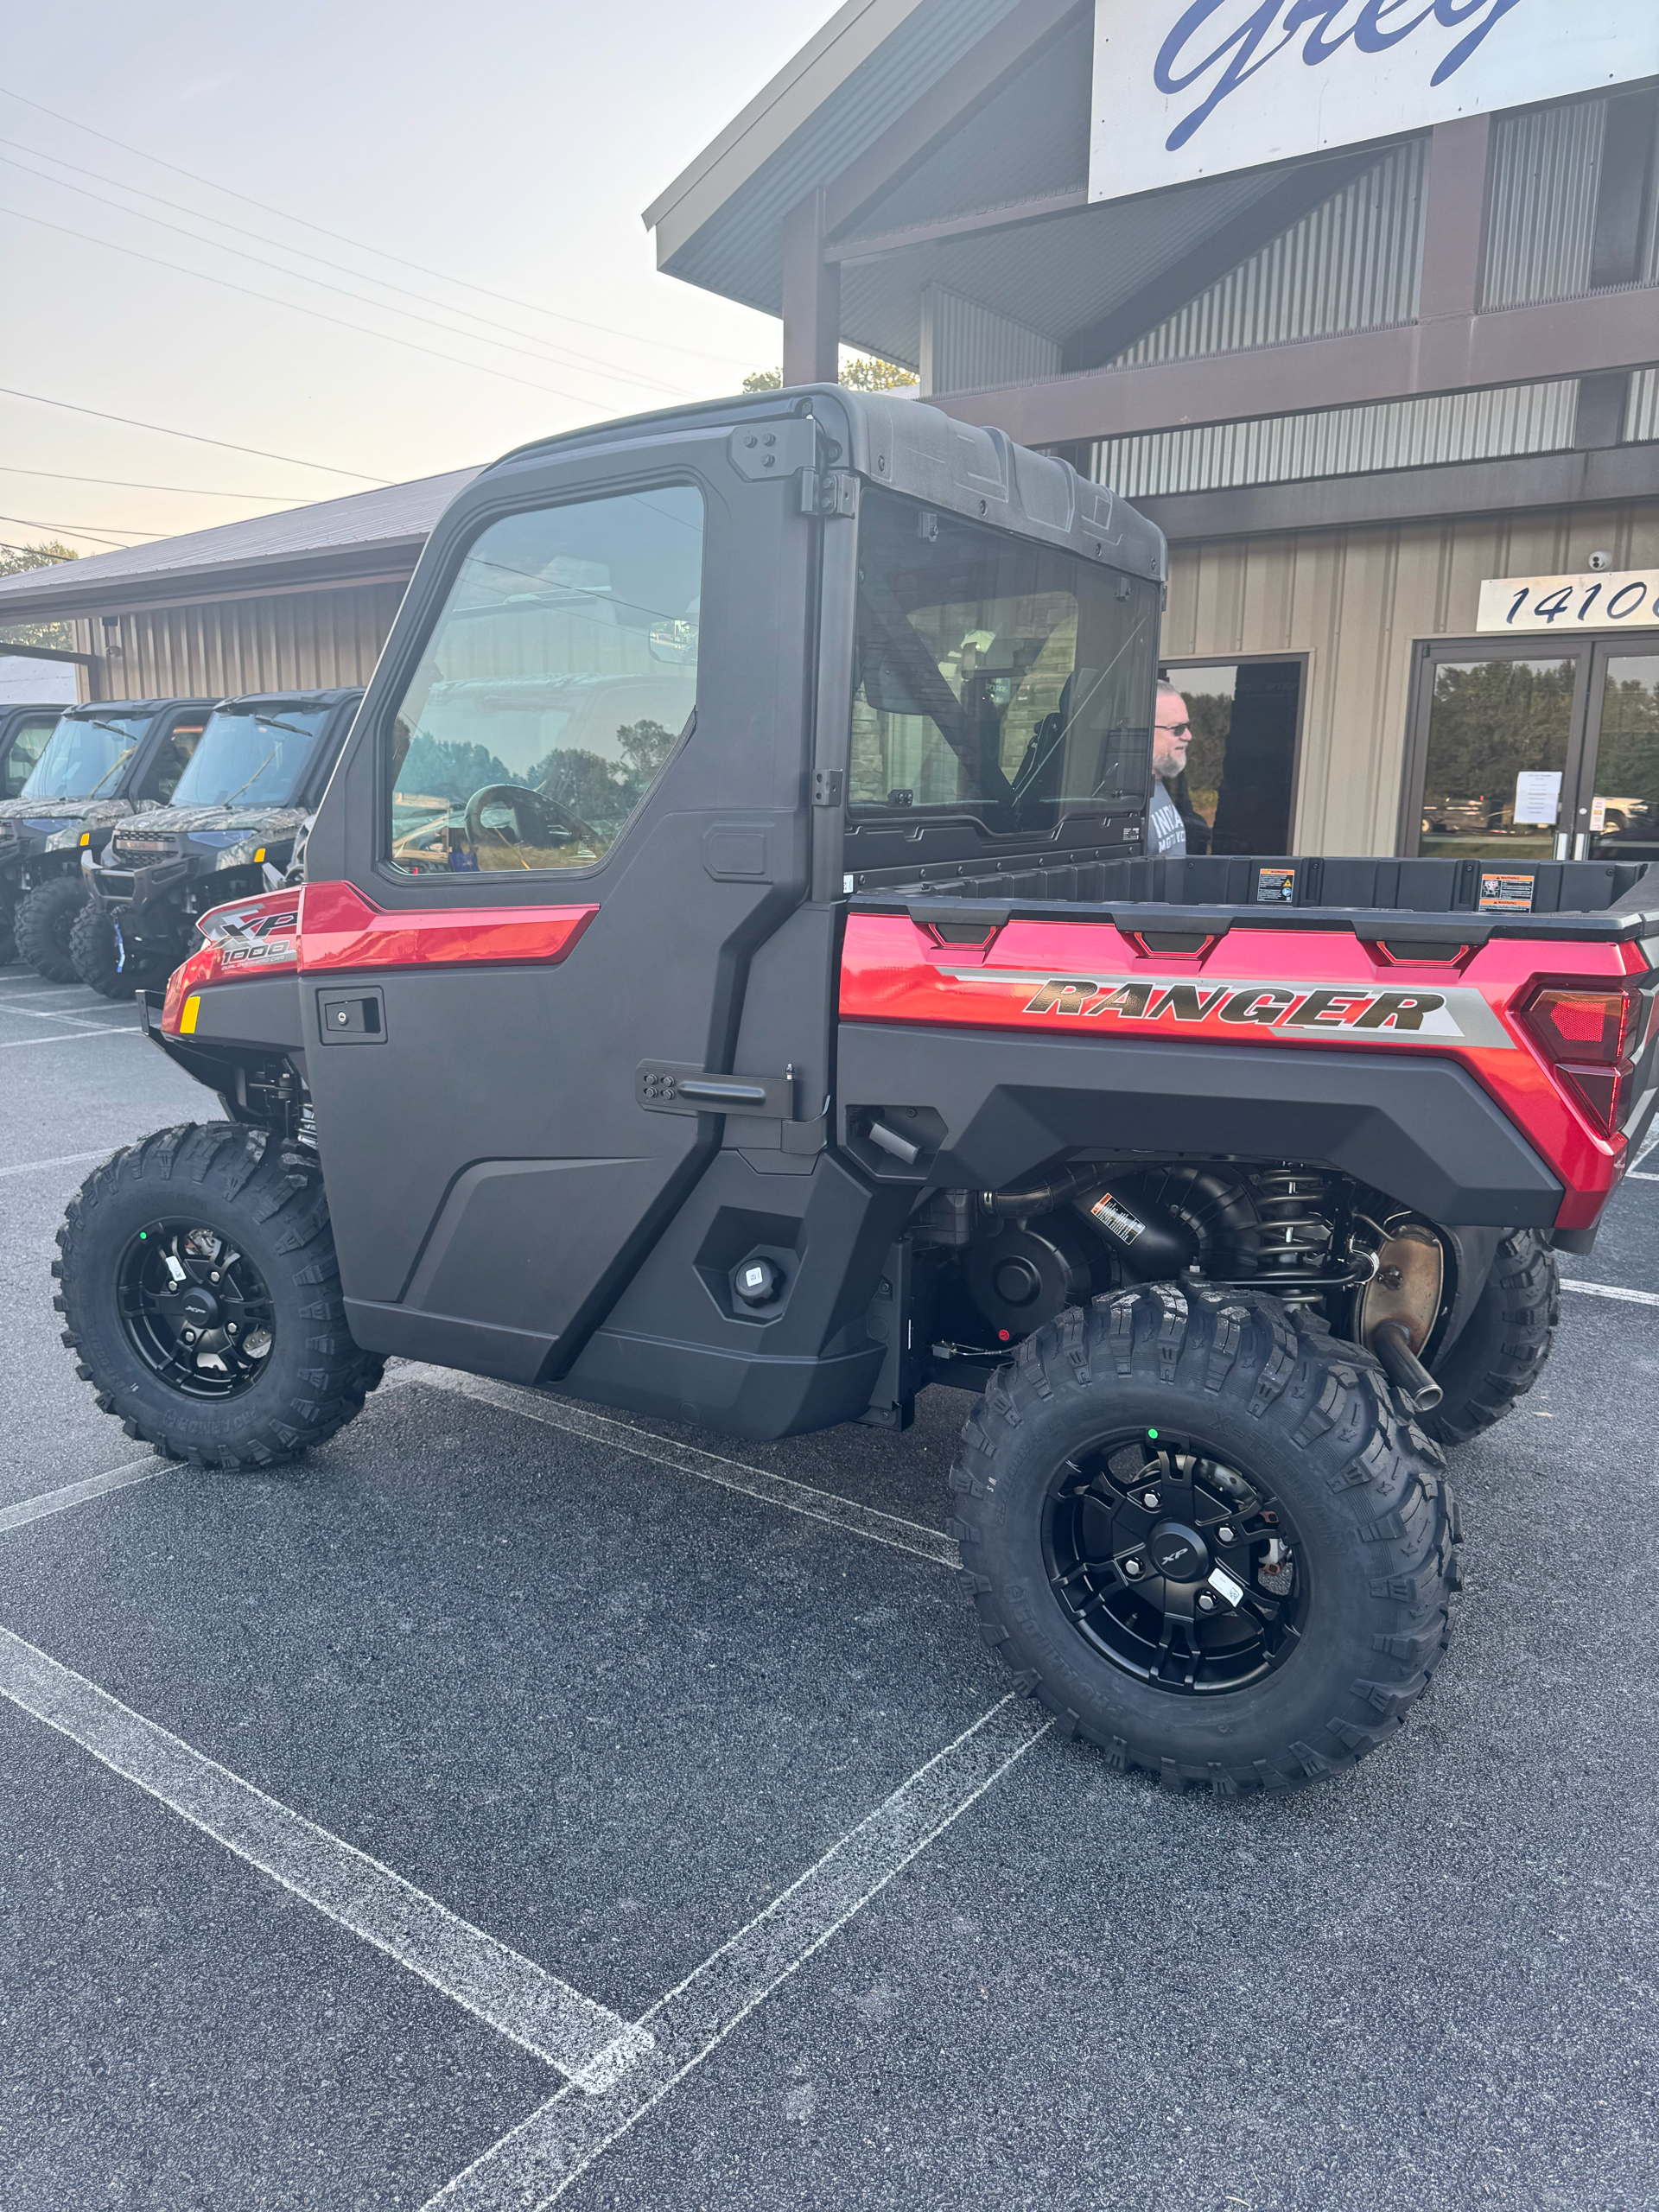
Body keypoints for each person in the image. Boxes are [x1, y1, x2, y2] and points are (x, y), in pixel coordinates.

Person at [1149, 682, 1192, 856]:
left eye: (1187, 726)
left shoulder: (1157, 785)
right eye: (1177, 728)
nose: (1188, 736)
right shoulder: (1125, 805)